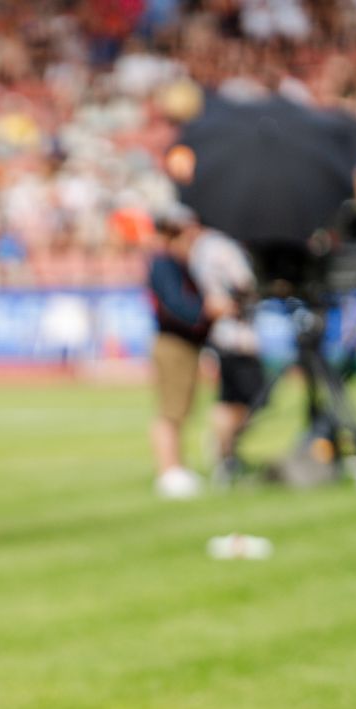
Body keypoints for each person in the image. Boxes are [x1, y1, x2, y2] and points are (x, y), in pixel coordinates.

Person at [144, 203, 217, 499]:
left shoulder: (181, 264)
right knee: (170, 410)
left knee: (181, 408)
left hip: (185, 344)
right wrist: (206, 312)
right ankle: (169, 471)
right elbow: (178, 306)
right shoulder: (164, 264)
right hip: (173, 343)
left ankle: (177, 468)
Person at [188, 222, 264, 485]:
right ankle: (223, 448)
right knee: (250, 397)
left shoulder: (201, 247)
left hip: (222, 333)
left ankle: (226, 451)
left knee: (232, 397)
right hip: (236, 335)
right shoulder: (223, 247)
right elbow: (244, 284)